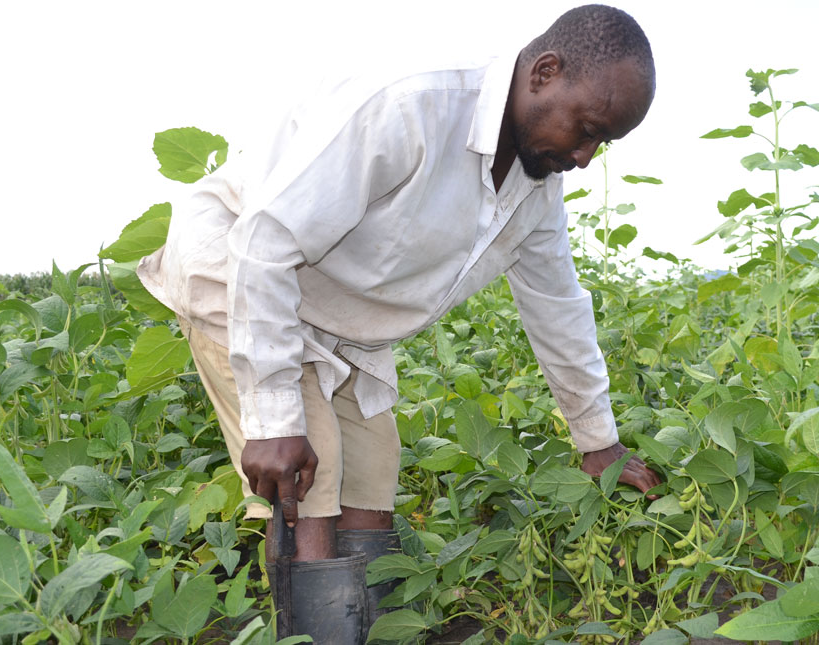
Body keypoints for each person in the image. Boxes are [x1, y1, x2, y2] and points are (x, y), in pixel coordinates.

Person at [138, 4, 660, 641]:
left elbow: (559, 310)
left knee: (375, 464)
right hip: (243, 276)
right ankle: (316, 632)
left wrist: (598, 442)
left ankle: (366, 626)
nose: (584, 156)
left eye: (600, 144)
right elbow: (265, 242)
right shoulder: (410, 107)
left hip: (338, 319)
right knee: (313, 469)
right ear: (545, 73)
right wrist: (274, 420)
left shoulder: (533, 188)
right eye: (586, 129)